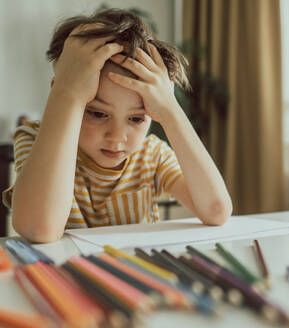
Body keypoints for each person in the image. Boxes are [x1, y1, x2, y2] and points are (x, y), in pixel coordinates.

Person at [2, 9, 232, 243]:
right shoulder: (33, 138)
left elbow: (216, 211)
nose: (117, 137)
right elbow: (39, 228)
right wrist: (66, 93)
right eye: (98, 113)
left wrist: (171, 110)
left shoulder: (152, 154)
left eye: (136, 118)